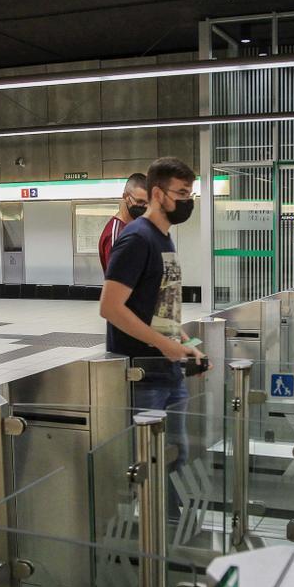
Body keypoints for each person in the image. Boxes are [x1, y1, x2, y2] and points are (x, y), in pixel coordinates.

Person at [99, 157, 202, 517]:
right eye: (182, 193)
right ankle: (154, 537)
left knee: (176, 456)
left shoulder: (164, 240)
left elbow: (161, 308)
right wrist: (164, 344)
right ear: (158, 193)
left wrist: (185, 343)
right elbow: (111, 307)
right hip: (143, 374)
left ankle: (169, 529)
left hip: (167, 370)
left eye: (191, 193)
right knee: (151, 460)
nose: (188, 201)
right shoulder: (136, 239)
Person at [97, 172, 148, 271]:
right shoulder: (117, 234)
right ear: (125, 197)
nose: (145, 207)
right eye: (140, 201)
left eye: (148, 202)